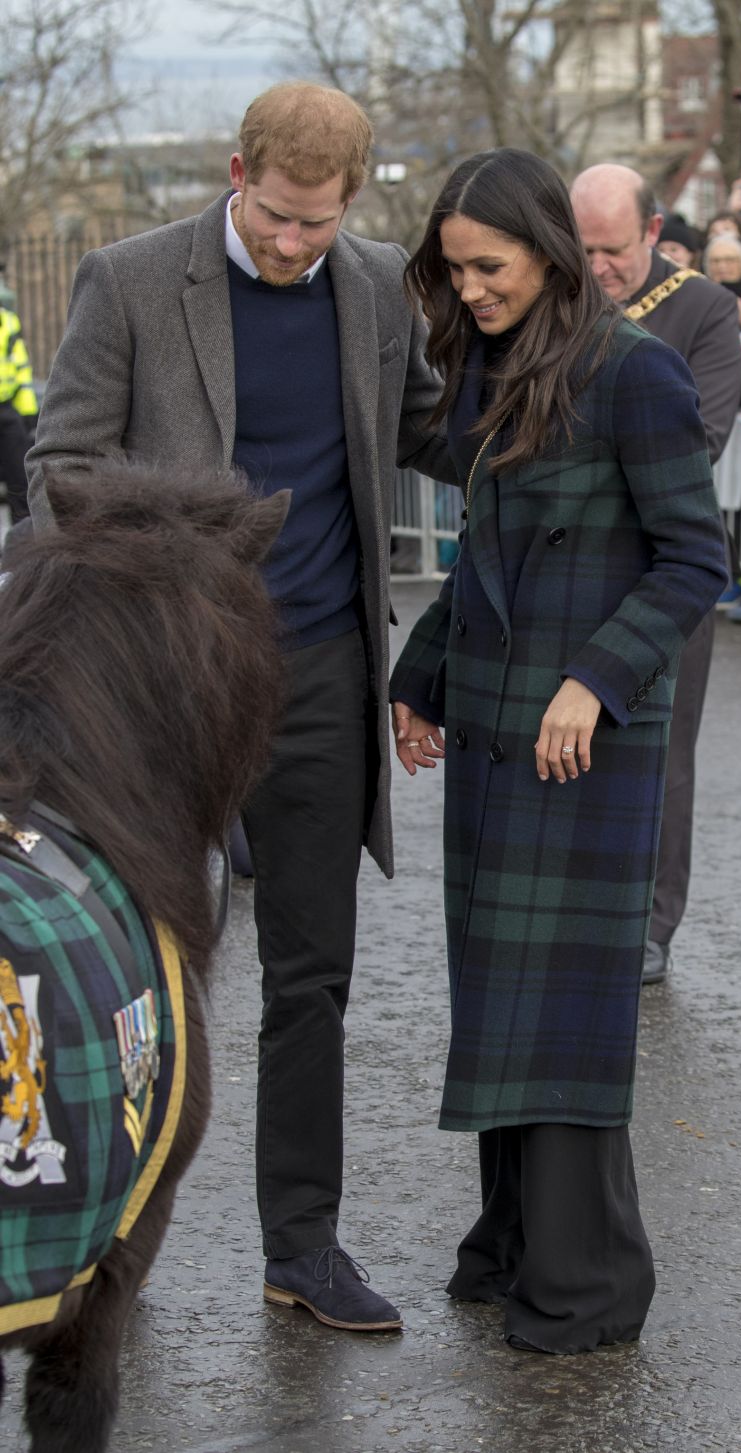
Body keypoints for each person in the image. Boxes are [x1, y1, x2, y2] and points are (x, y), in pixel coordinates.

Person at [27, 81, 452, 1332]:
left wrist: (565, 392)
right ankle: (95, 1249)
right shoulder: (130, 278)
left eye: (316, 226)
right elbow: (61, 468)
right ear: (235, 173)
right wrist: (184, 567)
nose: (291, 245)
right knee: (120, 965)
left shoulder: (375, 285)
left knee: (310, 971)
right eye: (274, 217)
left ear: (350, 209)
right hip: (158, 679)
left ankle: (301, 1247)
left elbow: (428, 427)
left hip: (318, 670)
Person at [389, 147, 727, 1354]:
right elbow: (487, 544)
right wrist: (417, 678)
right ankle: (513, 1246)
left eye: (488, 266)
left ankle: (589, 1288)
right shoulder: (496, 364)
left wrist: (595, 675)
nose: (468, 288)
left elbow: (696, 557)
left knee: (561, 1012)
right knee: (498, 990)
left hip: (581, 742)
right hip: (489, 729)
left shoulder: (632, 374)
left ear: (546, 250)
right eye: (453, 269)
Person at [570, 162, 741, 986]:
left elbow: (701, 435)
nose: (596, 266)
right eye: (583, 248)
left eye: (611, 249)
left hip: (665, 563)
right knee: (565, 740)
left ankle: (652, 919)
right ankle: (580, 905)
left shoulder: (704, 308)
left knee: (664, 750)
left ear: (651, 231)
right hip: (568, 563)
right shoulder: (558, 301)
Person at [0, 304, 38, 523]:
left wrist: (27, 411)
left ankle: (21, 540)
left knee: (20, 478)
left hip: (7, 409)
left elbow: (21, 367)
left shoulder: (8, 320)